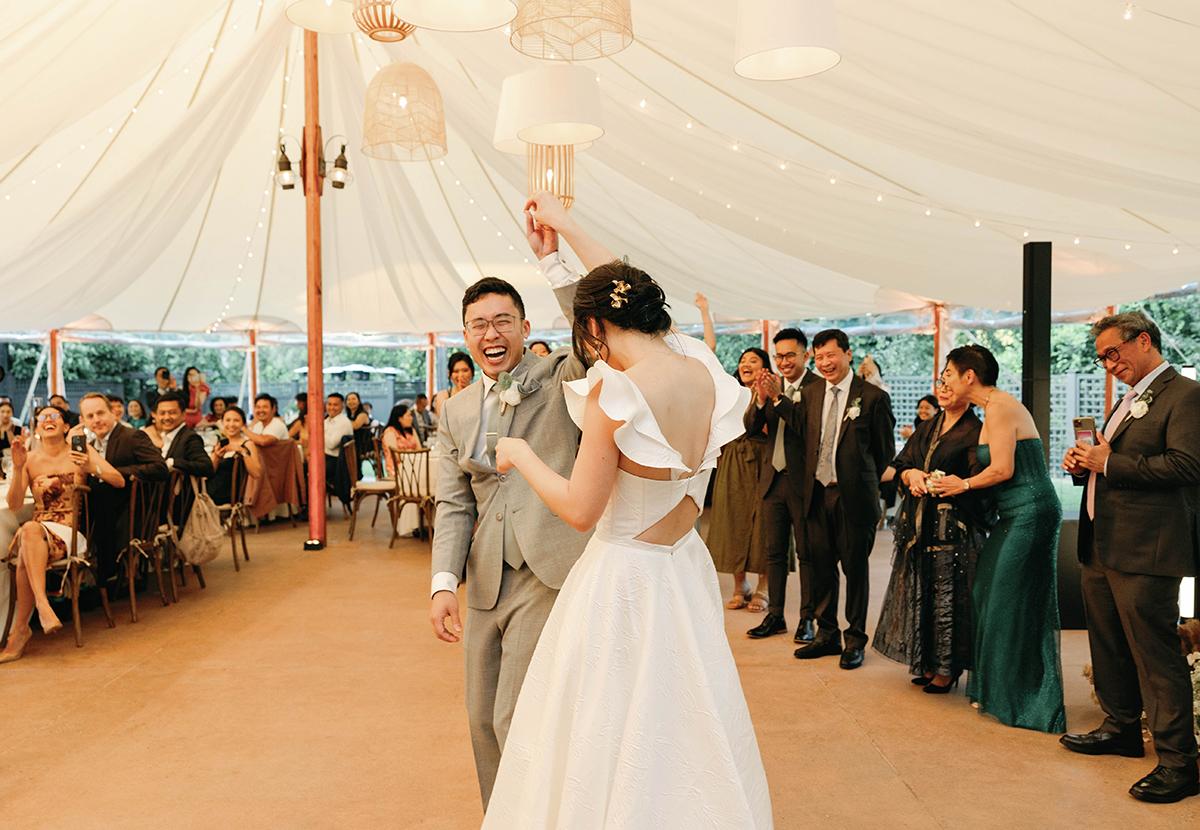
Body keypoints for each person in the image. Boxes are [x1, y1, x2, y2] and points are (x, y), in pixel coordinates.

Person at [483, 196, 771, 827]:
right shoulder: (699, 364)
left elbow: (580, 509)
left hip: (621, 578)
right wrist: (564, 231)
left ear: (593, 331)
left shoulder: (617, 393)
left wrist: (521, 454)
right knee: (684, 714)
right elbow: (618, 284)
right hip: (681, 564)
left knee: (603, 725)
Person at [428, 195, 595, 809]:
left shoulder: (560, 376)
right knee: (479, 721)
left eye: (503, 321)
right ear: (467, 336)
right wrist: (444, 580)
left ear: (525, 328)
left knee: (514, 717)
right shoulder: (455, 409)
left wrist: (554, 265)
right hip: (484, 581)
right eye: (479, 324)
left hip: (546, 568)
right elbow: (454, 505)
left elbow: (595, 337)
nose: (490, 333)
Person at [1061, 311, 1200, 803]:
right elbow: (1114, 466)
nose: (1108, 364)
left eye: (1113, 353)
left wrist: (1110, 462)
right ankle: (1121, 728)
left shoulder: (1185, 395)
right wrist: (1086, 465)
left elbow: (1187, 465)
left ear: (1144, 340)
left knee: (1155, 656)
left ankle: (1180, 764)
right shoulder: (1129, 399)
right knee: (1109, 644)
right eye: (1101, 358)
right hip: (1104, 541)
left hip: (1147, 547)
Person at [932, 344, 1066, 732]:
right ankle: (998, 689)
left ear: (968, 376)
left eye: (948, 374)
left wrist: (963, 484)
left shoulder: (1003, 407)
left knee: (1010, 598)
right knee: (986, 591)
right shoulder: (989, 409)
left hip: (1032, 511)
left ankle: (1026, 699)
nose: (945, 381)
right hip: (1011, 514)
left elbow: (1004, 469)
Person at [873, 376, 989, 692]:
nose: (944, 388)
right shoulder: (929, 425)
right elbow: (901, 463)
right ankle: (925, 661)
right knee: (921, 590)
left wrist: (946, 482)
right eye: (941, 381)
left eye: (951, 381)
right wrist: (910, 474)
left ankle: (947, 668)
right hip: (919, 522)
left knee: (947, 596)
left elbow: (978, 477)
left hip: (952, 524)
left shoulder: (974, 431)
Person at [792, 329, 895, 670]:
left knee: (855, 569)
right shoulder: (810, 393)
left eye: (831, 356)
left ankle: (855, 639)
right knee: (821, 565)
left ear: (848, 354)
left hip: (853, 496)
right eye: (819, 357)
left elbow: (884, 453)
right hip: (817, 493)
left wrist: (860, 481)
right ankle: (826, 635)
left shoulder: (873, 397)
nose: (825, 363)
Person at [0, 406, 123, 663]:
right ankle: (39, 611)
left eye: (54, 416)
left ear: (66, 427)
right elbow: (13, 504)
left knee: (27, 537)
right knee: (30, 533)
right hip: (39, 530)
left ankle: (24, 626)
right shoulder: (30, 459)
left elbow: (118, 480)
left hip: (70, 531)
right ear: (37, 428)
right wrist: (19, 468)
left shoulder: (80, 451)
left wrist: (91, 466)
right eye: (42, 417)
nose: (48, 420)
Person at [696, 293, 774, 613]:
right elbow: (708, 353)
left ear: (765, 368)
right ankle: (739, 584)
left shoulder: (773, 394)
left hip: (762, 462)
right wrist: (705, 313)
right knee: (732, 521)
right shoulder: (729, 389)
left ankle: (764, 586)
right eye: (743, 360)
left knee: (763, 524)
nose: (745, 364)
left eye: (753, 360)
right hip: (731, 461)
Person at [746, 326, 823, 643]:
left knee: (807, 554)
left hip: (802, 483)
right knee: (773, 553)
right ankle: (775, 615)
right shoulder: (770, 386)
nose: (784, 361)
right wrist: (762, 399)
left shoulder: (818, 388)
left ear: (807, 355)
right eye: (778, 356)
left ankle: (808, 619)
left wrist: (778, 397)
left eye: (790, 355)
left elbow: (807, 428)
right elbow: (751, 429)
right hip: (772, 480)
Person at [76, 392, 168, 584]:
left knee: (97, 498)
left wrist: (116, 473)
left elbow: (160, 467)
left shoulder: (132, 437)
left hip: (134, 515)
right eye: (90, 416)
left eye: (100, 413)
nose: (96, 420)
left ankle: (100, 575)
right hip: (103, 515)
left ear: (113, 413)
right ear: (82, 421)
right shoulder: (91, 446)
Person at [208, 406, 262, 505]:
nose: (231, 424)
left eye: (236, 420)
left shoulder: (247, 444)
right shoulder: (221, 442)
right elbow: (210, 472)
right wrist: (216, 456)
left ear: (243, 424)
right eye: (227, 420)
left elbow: (256, 473)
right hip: (212, 488)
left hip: (227, 493)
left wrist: (242, 451)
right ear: (222, 422)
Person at [153, 392, 213, 479]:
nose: (166, 417)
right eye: (162, 413)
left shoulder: (190, 438)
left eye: (172, 412)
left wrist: (174, 463)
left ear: (184, 414)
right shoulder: (163, 436)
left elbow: (206, 467)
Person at [381, 404, 421, 477]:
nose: (411, 418)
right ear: (399, 418)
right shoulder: (390, 432)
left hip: (414, 465)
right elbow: (395, 455)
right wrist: (412, 453)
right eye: (408, 416)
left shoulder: (411, 430)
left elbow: (419, 449)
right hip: (397, 470)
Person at [432, 352, 474, 418]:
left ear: (472, 372)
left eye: (465, 370)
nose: (461, 375)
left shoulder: (480, 395)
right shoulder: (442, 396)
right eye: (456, 371)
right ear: (450, 375)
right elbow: (444, 423)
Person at [344, 392, 373, 460]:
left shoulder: (363, 414)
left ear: (359, 401)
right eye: (348, 399)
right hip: (353, 442)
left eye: (353, 399)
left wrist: (341, 420)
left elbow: (355, 426)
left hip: (363, 445)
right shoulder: (349, 415)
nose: (351, 401)